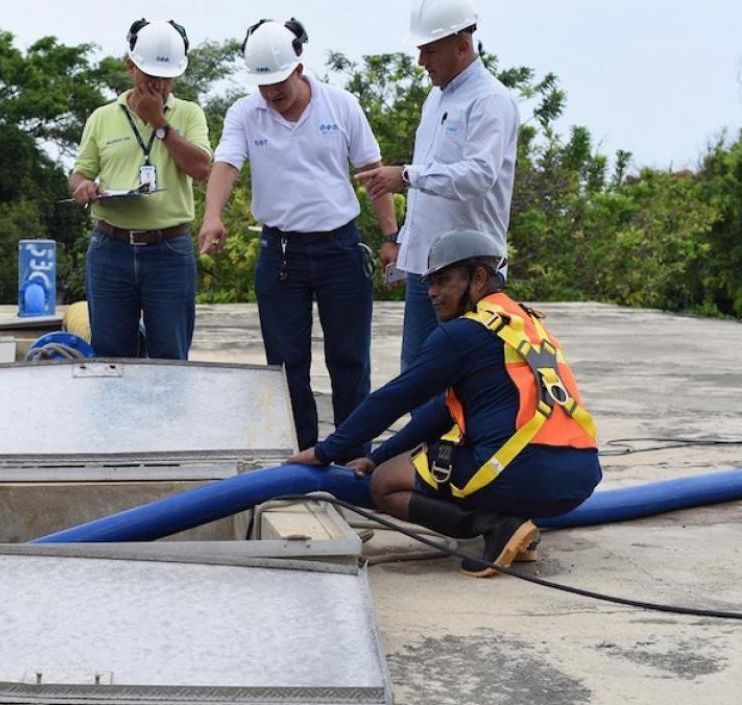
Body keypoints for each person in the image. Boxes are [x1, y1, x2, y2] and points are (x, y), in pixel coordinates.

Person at [288, 229, 602, 576]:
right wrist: (376, 457)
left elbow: (395, 397)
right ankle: (517, 530)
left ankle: (496, 527)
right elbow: (441, 412)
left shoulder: (462, 333)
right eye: (430, 283)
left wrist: (326, 451)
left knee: (386, 483)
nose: (432, 293)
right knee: (440, 453)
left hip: (520, 471)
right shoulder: (526, 323)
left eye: (443, 281)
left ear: (478, 278)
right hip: (580, 477)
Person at [200, 18, 399, 455]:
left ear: (299, 69)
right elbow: (226, 163)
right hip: (281, 252)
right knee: (286, 364)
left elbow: (373, 173)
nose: (271, 93)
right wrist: (212, 216)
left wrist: (392, 236)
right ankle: (300, 455)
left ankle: (353, 457)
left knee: (349, 360)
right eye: (263, 84)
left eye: (279, 83)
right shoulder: (244, 112)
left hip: (340, 249)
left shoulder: (341, 106)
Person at [354, 0, 519, 374]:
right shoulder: (436, 97)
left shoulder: (491, 100)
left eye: (429, 51)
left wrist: (406, 176)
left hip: (470, 270)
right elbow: (428, 189)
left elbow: (479, 174)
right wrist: (402, 243)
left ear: (461, 46)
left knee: (468, 377)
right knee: (418, 374)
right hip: (425, 265)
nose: (421, 62)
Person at [69, 18, 212, 359]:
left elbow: (201, 168)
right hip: (110, 248)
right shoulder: (102, 117)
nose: (159, 86)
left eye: (167, 78)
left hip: (169, 249)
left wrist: (159, 122)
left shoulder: (189, 113)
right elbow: (79, 173)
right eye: (150, 77)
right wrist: (83, 185)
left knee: (170, 356)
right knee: (111, 357)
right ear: (130, 66)